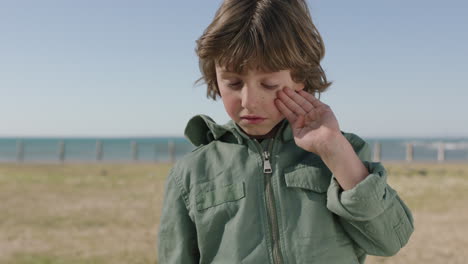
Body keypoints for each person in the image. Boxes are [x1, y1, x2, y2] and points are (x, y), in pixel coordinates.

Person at [157, 0, 414, 263]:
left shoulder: (342, 152)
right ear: (215, 77)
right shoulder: (189, 173)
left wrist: (334, 151)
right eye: (233, 83)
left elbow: (391, 241)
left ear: (300, 77)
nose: (249, 101)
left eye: (268, 84)